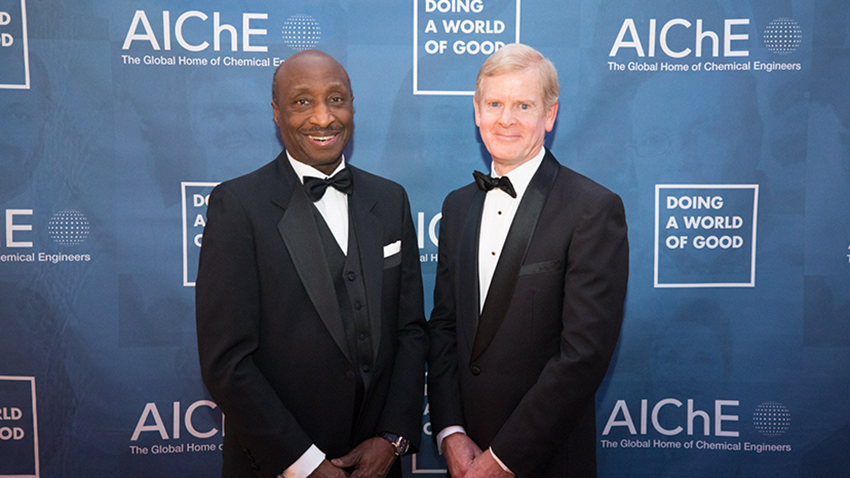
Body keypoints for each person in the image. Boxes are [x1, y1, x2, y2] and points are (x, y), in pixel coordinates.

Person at [196, 50, 428, 478]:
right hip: (276, 466)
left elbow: (410, 331)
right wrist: (303, 463)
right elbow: (226, 362)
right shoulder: (238, 207)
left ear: (353, 104)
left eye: (336, 99)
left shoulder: (391, 199)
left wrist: (391, 440)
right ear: (276, 112)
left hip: (377, 465)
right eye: (303, 102)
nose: (323, 118)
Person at [427, 43, 629, 478]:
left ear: (549, 115)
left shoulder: (592, 208)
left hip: (547, 460)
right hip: (464, 458)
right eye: (495, 104)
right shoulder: (458, 207)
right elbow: (444, 327)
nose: (506, 119)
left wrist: (503, 459)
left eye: (523, 105)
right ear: (477, 112)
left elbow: (583, 356)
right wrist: (450, 431)